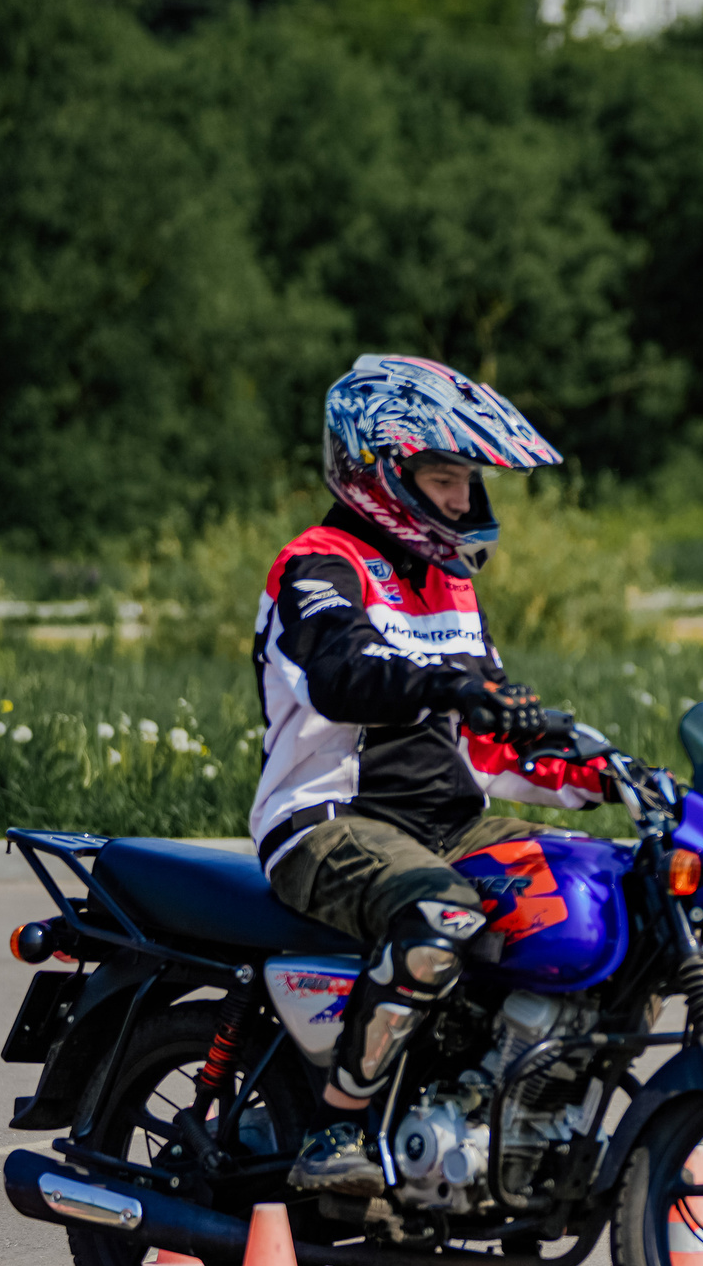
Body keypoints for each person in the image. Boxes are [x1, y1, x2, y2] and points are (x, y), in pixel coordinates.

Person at [252, 354, 615, 1197]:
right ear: (381, 470)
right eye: (444, 477)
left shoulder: (450, 582)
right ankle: (337, 1124)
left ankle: (511, 1109)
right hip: (330, 820)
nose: (463, 499)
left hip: (453, 820)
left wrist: (599, 771)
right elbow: (342, 672)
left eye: (467, 480)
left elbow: (485, 746)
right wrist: (446, 683)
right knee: (437, 912)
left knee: (603, 894)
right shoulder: (318, 564)